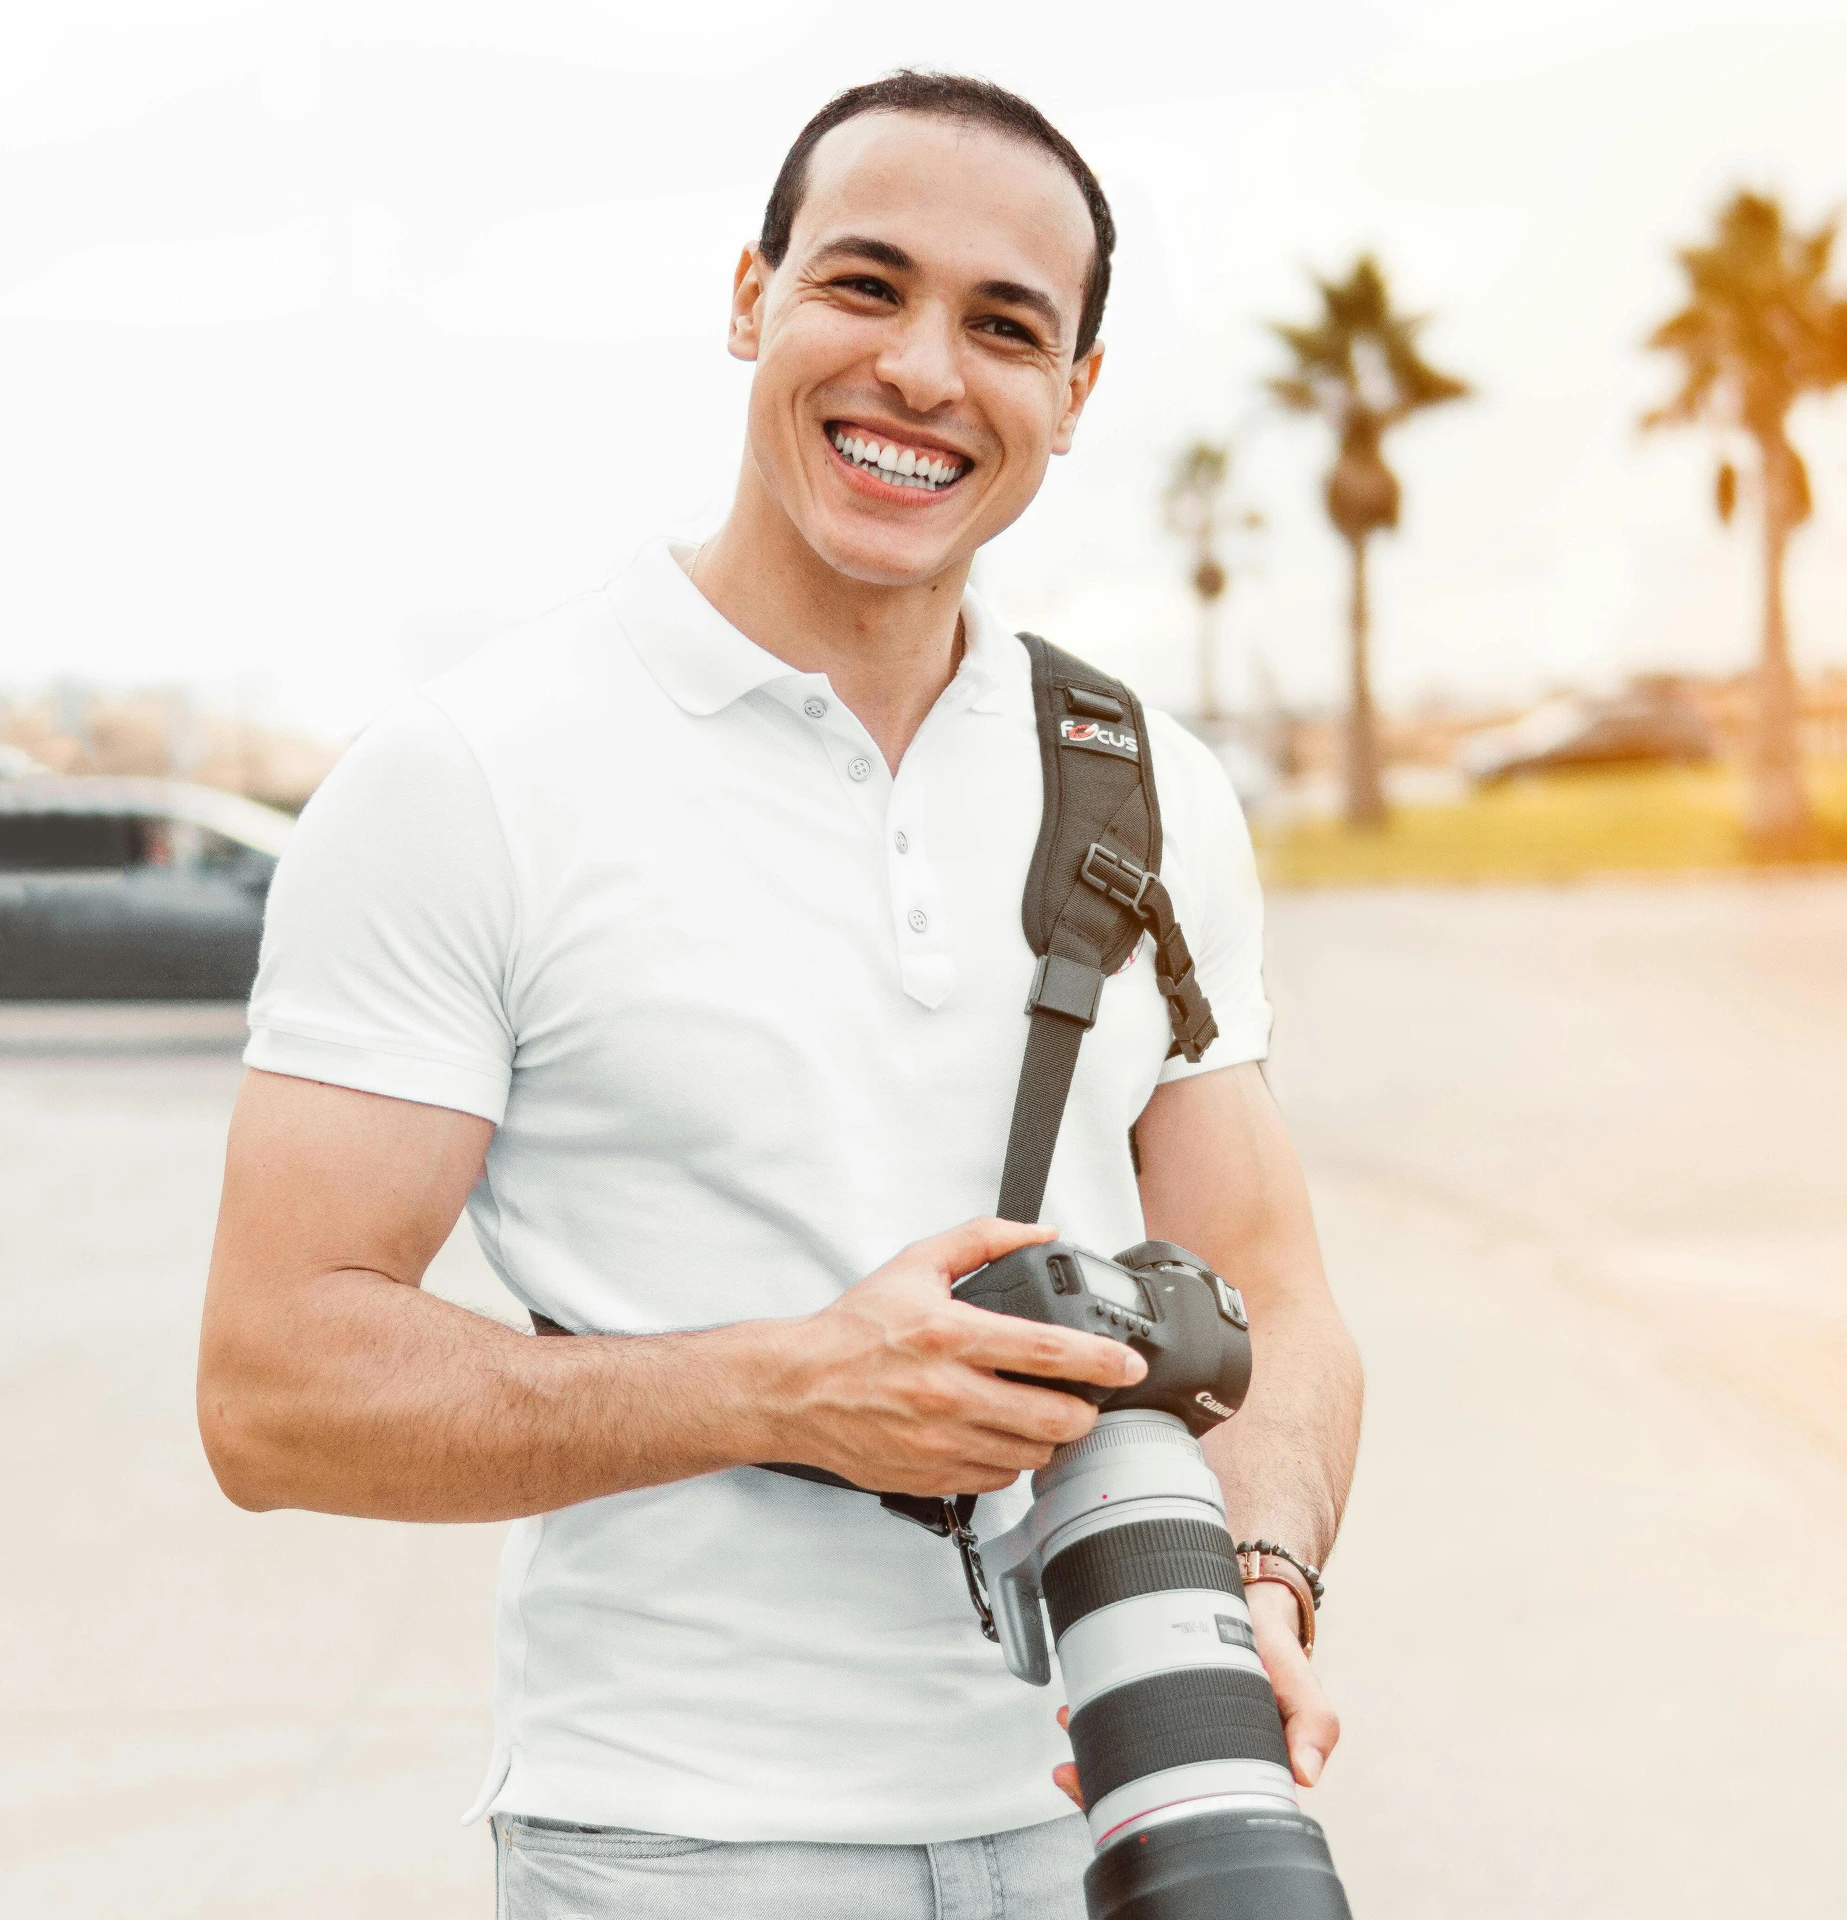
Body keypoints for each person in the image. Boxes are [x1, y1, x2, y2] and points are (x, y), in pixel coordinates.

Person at [197, 70, 1362, 1920]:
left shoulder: (1147, 780)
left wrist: (1257, 1592)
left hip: (1117, 1814)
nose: (920, 371)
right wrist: (790, 1389)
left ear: (1072, 393)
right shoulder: (474, 773)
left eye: (1005, 326)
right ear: (750, 298)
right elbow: (273, 1387)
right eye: (862, 285)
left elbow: (1275, 1289)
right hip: (674, 1835)